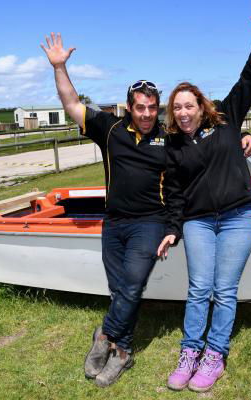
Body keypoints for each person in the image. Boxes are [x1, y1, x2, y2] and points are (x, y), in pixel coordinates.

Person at [157, 4, 251, 392]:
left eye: (188, 104)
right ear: (173, 114)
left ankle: (215, 356)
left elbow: (250, 80)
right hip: (197, 221)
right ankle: (189, 352)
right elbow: (174, 193)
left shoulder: (226, 120)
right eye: (176, 108)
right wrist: (173, 228)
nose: (183, 112)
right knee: (198, 289)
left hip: (237, 218)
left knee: (224, 290)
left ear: (201, 105)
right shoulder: (173, 146)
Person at [41, 33, 170, 387]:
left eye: (152, 107)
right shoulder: (109, 129)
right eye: (140, 107)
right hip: (113, 222)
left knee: (131, 285)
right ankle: (124, 351)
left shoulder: (168, 138)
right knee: (120, 289)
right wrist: (59, 67)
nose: (146, 113)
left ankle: (104, 336)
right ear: (130, 106)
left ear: (158, 107)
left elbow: (207, 140)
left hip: (150, 222)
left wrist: (242, 140)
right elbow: (71, 103)